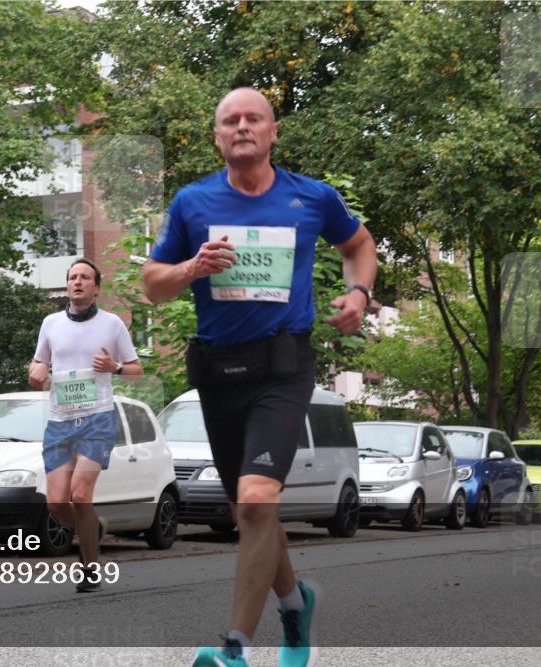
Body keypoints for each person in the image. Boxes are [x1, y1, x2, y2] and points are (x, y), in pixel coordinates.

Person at [142, 88, 377, 667]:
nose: (242, 127)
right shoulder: (193, 202)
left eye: (254, 119)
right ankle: (297, 606)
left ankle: (235, 648)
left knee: (254, 499)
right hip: (219, 372)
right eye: (230, 120)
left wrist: (359, 293)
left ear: (273, 132)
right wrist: (192, 267)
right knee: (252, 510)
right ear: (217, 136)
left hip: (284, 365)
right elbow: (152, 282)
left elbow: (360, 245)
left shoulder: (311, 197)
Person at [28, 258, 143, 592]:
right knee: (55, 502)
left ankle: (90, 569)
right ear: (67, 284)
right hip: (59, 420)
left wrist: (115, 366)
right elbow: (39, 364)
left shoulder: (112, 325)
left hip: (97, 419)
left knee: (80, 494)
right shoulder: (50, 323)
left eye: (85, 277)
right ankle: (92, 527)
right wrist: (35, 373)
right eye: (72, 277)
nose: (77, 282)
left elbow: (137, 370)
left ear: (96, 287)